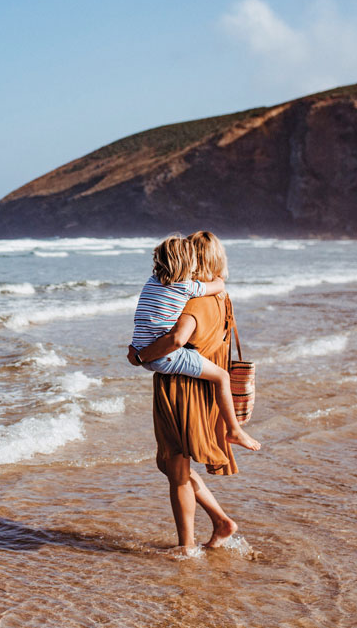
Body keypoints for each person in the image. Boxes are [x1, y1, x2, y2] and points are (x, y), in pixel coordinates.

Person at [129, 231, 249, 552]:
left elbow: (177, 338)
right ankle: (221, 522)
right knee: (169, 465)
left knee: (176, 468)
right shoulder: (222, 298)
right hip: (203, 388)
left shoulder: (192, 301)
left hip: (181, 389)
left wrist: (140, 355)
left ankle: (187, 547)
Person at [129, 235, 259, 452]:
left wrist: (140, 356)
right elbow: (178, 338)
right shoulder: (187, 288)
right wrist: (218, 279)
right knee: (222, 377)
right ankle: (234, 430)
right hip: (164, 356)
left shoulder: (151, 283)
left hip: (142, 348)